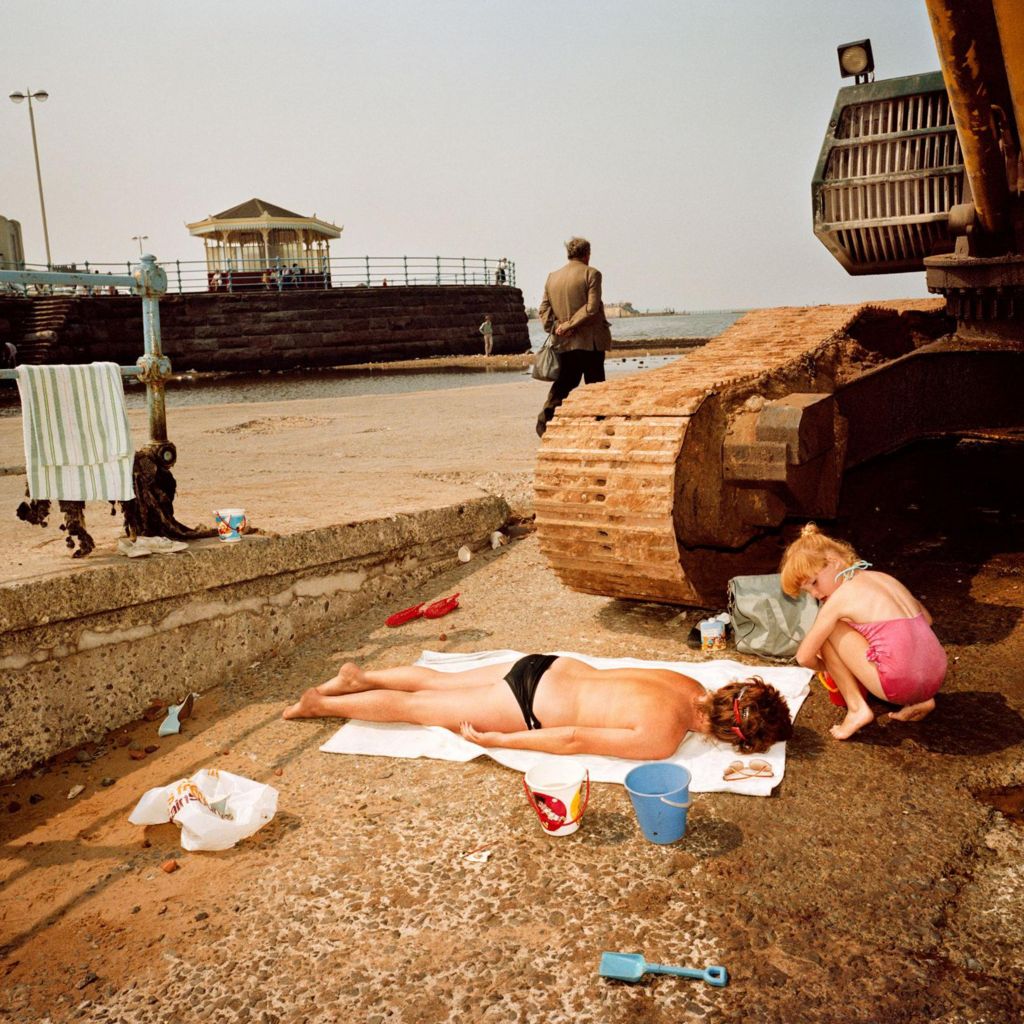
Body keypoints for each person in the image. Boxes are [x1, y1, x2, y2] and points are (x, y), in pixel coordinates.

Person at [282, 654, 793, 759]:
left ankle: (361, 676)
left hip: (546, 666)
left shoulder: (685, 683)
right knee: (419, 709)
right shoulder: (663, 737)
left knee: (441, 681)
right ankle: (320, 706)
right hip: (529, 702)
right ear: (730, 737)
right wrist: (502, 741)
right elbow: (572, 739)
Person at [780, 523, 947, 740]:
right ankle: (921, 698)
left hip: (901, 683)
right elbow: (927, 619)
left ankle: (857, 709)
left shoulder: (839, 599)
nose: (815, 594)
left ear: (834, 562)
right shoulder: (884, 578)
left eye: (814, 583)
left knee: (828, 631)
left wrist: (829, 667)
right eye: (807, 591)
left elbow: (803, 657)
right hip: (936, 674)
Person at [536, 236, 613, 437]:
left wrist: (557, 328)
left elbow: (543, 309)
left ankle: (544, 422)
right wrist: (569, 325)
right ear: (587, 254)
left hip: (564, 341)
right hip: (590, 341)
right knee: (595, 384)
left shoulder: (553, 277)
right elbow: (591, 308)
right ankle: (598, 425)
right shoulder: (592, 274)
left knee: (564, 383)